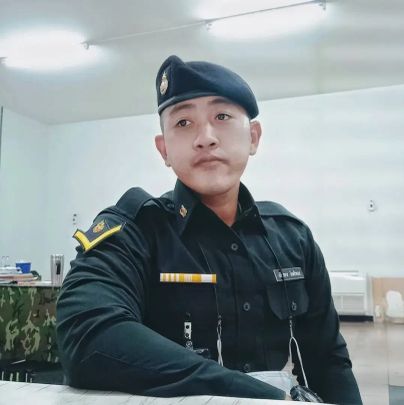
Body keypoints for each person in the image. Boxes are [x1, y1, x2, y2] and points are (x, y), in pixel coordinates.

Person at [56, 55, 362, 404]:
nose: (205, 138)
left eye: (222, 117)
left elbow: (329, 361)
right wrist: (261, 398)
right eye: (183, 122)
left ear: (254, 137)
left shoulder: (293, 238)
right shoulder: (132, 231)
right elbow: (87, 336)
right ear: (164, 149)